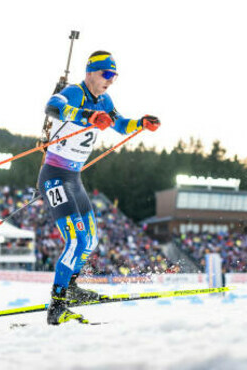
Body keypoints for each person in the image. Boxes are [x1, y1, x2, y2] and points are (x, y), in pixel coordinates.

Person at [39, 50, 160, 325]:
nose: (110, 80)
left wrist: (140, 124)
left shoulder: (105, 99)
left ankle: (71, 288)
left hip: (74, 178)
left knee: (90, 240)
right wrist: (87, 117)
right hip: (54, 175)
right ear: (90, 72)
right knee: (75, 240)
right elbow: (52, 107)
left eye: (114, 76)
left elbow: (118, 123)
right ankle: (56, 306)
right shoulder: (73, 92)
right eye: (106, 74)